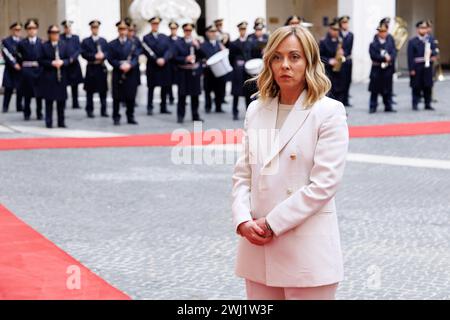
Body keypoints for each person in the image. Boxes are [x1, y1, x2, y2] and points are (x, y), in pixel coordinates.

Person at [232, 25, 349, 300]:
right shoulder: (257, 109)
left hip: (306, 250)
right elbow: (243, 175)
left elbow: (323, 185)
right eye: (277, 57)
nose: (285, 65)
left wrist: (272, 223)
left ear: (308, 61)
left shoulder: (328, 112)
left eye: (294, 57)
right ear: (269, 61)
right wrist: (242, 220)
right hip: (257, 248)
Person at [107, 19, 140, 126]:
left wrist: (130, 65)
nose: (122, 31)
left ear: (127, 30)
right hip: (118, 72)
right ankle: (116, 117)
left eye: (124, 29)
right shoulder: (112, 44)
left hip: (130, 72)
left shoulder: (133, 44)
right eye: (120, 29)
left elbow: (136, 57)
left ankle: (130, 116)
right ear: (118, 30)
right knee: (116, 96)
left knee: (130, 96)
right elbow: (110, 58)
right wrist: (119, 65)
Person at [173, 22, 204, 124]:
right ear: (183, 31)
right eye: (186, 30)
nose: (188, 32)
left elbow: (203, 55)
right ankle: (180, 116)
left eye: (190, 30)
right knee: (182, 95)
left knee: (195, 96)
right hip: (183, 72)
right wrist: (185, 58)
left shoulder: (196, 42)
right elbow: (175, 57)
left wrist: (198, 46)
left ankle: (195, 115)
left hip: (194, 72)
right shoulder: (178, 42)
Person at [40, 25, 70, 128]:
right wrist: (51, 63)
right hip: (49, 76)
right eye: (53, 32)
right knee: (49, 101)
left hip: (61, 76)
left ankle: (61, 122)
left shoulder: (64, 45)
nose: (55, 34)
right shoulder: (44, 46)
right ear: (49, 34)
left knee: (61, 101)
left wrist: (63, 62)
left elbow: (69, 59)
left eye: (57, 32)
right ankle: (49, 122)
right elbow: (40, 60)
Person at [143, 16, 173, 115]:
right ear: (151, 25)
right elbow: (147, 51)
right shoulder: (146, 37)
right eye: (153, 24)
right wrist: (156, 59)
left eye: (157, 24)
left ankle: (163, 107)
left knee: (164, 87)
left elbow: (169, 50)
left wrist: (164, 59)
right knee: (151, 87)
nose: (155, 25)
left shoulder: (164, 37)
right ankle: (149, 107)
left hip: (164, 65)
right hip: (153, 66)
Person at [81, 20, 109, 118]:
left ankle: (104, 110)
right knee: (90, 91)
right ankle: (89, 110)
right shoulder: (86, 41)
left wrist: (103, 55)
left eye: (96, 27)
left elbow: (108, 52)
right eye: (93, 27)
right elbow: (83, 53)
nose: (95, 29)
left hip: (101, 67)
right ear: (91, 28)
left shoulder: (103, 41)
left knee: (103, 90)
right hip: (91, 67)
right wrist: (94, 56)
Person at [407, 20, 438, 111]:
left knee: (428, 86)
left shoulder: (430, 39)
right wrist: (411, 69)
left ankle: (427, 104)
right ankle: (415, 103)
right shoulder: (413, 41)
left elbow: (435, 50)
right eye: (422, 28)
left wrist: (434, 55)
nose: (424, 30)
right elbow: (410, 56)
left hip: (427, 66)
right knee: (416, 86)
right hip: (417, 66)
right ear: (417, 29)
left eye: (425, 28)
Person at [17, 18, 43, 121]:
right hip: (27, 70)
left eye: (34, 28)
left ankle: (39, 112)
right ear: (26, 30)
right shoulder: (22, 43)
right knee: (27, 94)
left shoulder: (41, 42)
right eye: (29, 28)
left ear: (37, 29)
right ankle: (26, 113)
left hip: (38, 70)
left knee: (39, 94)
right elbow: (18, 56)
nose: (31, 30)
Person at [368, 23, 397, 114]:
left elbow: (394, 52)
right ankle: (373, 106)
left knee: (387, 88)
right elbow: (373, 56)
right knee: (374, 89)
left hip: (387, 68)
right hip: (377, 68)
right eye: (381, 31)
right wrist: (384, 58)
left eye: (384, 31)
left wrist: (391, 57)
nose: (383, 33)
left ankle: (388, 105)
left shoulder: (390, 42)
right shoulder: (373, 43)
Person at [200, 24, 226, 114]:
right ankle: (208, 106)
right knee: (208, 90)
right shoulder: (203, 45)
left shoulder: (219, 44)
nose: (213, 34)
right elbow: (201, 57)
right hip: (208, 71)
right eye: (211, 32)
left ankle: (218, 107)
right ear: (207, 33)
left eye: (215, 32)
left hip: (219, 71)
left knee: (219, 89)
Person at [229, 21, 252, 120]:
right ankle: (235, 112)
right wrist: (236, 65)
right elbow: (230, 57)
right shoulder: (234, 43)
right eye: (241, 29)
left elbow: (252, 55)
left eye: (244, 29)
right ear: (239, 30)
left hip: (247, 71)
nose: (243, 31)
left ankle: (248, 113)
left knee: (248, 93)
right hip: (237, 71)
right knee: (236, 93)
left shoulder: (250, 43)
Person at [319, 18, 346, 104]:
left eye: (338, 30)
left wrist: (342, 53)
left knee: (340, 92)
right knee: (330, 93)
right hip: (328, 71)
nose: (336, 32)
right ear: (330, 29)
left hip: (339, 70)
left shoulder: (340, 40)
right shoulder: (323, 41)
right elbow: (319, 56)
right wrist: (329, 61)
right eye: (334, 29)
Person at [60, 20, 83, 110]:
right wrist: (66, 59)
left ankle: (75, 103)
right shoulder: (61, 37)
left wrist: (73, 58)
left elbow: (79, 49)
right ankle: (63, 103)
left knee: (75, 85)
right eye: (66, 27)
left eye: (69, 27)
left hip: (74, 64)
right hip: (65, 64)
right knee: (63, 85)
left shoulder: (75, 37)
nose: (68, 29)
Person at [1, 22, 23, 113]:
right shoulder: (6, 41)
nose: (17, 31)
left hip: (20, 68)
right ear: (12, 30)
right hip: (10, 68)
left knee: (20, 89)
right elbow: (6, 54)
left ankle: (19, 106)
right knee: (8, 88)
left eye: (19, 30)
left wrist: (21, 64)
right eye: (16, 30)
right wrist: (14, 64)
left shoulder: (22, 41)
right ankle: (5, 106)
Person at [339, 16, 353, 107]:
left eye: (347, 23)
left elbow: (350, 48)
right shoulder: (338, 34)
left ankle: (346, 99)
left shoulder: (351, 35)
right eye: (344, 23)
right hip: (339, 60)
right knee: (341, 81)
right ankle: (340, 99)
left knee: (348, 80)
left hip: (347, 59)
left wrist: (345, 53)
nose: (346, 24)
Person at [167, 21, 180, 106]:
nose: (173, 30)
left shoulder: (180, 40)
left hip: (178, 63)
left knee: (180, 82)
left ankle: (180, 98)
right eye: (172, 28)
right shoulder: (167, 39)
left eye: (174, 28)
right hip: (170, 63)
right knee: (169, 82)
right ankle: (171, 97)